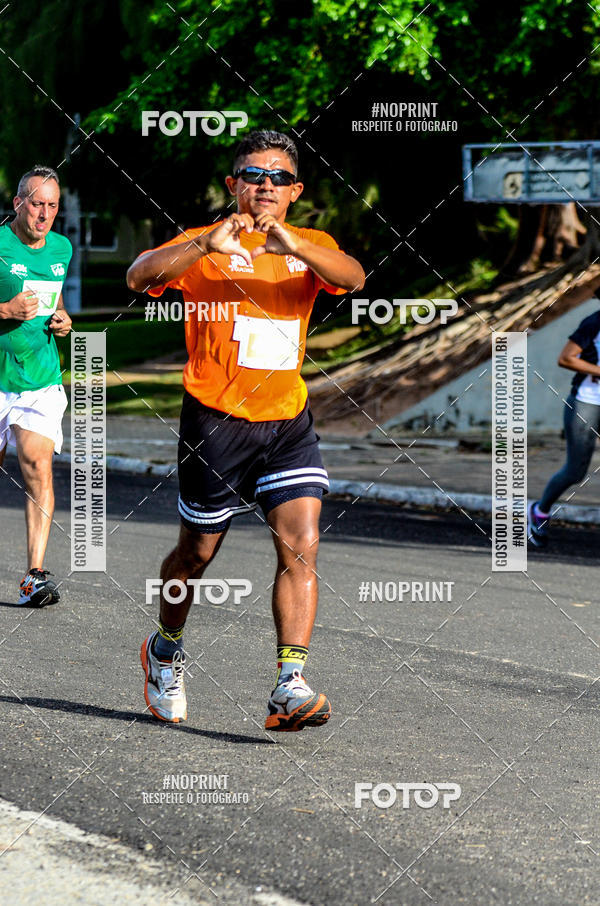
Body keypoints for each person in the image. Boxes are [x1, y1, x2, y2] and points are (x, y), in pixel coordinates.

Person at [127, 130, 365, 730]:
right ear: (233, 185)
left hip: (287, 422)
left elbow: (354, 277)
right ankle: (163, 650)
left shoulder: (310, 245)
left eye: (279, 177)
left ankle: (290, 682)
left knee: (301, 543)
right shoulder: (203, 243)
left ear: (295, 192)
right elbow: (138, 276)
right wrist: (203, 245)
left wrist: (295, 247)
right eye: (253, 175)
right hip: (215, 423)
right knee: (197, 553)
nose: (266, 185)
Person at [0, 166, 73, 605]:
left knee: (36, 463)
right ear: (18, 203)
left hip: (40, 378)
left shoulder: (62, 247)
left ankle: (34, 576)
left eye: (52, 206)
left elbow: (56, 299)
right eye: (36, 203)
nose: (44, 214)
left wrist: (64, 320)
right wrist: (5, 311)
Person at [528, 304, 600, 547]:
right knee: (575, 472)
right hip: (587, 403)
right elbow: (566, 358)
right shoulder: (594, 322)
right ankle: (540, 511)